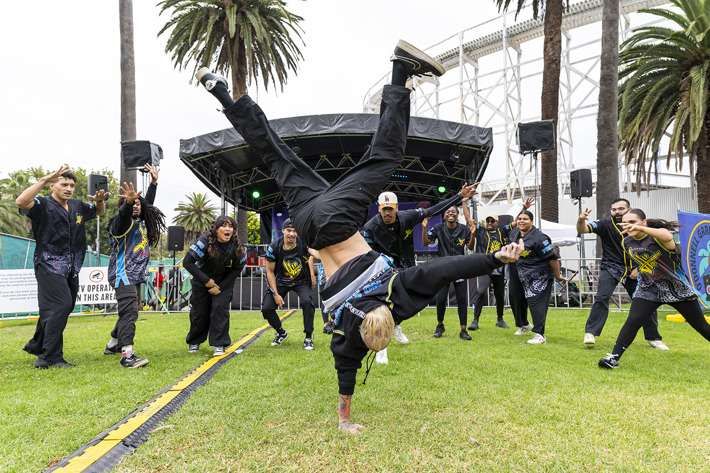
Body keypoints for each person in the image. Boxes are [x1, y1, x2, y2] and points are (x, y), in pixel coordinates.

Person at [195, 39, 524, 433]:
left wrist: (497, 258)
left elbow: (447, 269)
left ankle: (400, 72)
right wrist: (343, 421)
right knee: (276, 155)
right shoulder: (348, 330)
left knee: (384, 156)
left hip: (335, 221)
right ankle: (220, 91)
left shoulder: (394, 298)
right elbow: (344, 371)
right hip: (306, 222)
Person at [17, 166, 106, 368]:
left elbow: (98, 211)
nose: (69, 188)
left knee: (59, 308)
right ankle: (50, 357)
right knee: (61, 304)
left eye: (72, 185)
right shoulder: (42, 204)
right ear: (52, 185)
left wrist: (99, 200)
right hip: (48, 264)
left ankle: (38, 345)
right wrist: (42, 179)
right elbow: (21, 202)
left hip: (72, 267)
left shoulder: (77, 205)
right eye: (64, 184)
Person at [598, 209, 710, 368]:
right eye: (625, 223)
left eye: (633, 222)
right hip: (649, 288)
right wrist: (637, 269)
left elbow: (668, 236)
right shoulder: (626, 242)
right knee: (633, 320)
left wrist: (642, 229)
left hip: (676, 288)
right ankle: (613, 358)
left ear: (644, 222)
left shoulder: (659, 236)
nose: (629, 226)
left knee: (702, 327)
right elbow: (639, 259)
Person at [577, 199, 668, 349]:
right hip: (611, 267)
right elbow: (582, 230)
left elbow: (652, 249)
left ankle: (654, 338)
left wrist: (639, 268)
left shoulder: (641, 225)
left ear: (629, 209)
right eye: (614, 209)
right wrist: (580, 220)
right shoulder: (604, 223)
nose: (617, 212)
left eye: (621, 208)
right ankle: (590, 333)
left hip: (635, 268)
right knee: (602, 297)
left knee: (647, 301)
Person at [104, 164, 166, 368]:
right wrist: (127, 205)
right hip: (123, 275)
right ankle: (127, 355)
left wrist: (154, 183)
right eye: (132, 203)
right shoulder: (120, 223)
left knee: (128, 310)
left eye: (139, 203)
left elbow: (147, 203)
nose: (137, 205)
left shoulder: (141, 221)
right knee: (130, 312)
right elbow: (123, 215)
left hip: (136, 275)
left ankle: (113, 343)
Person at [462, 197, 535, 330]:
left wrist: (524, 209)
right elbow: (469, 220)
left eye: (492, 221)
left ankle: (500, 319)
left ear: (497, 222)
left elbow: (515, 222)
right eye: (488, 220)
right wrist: (463, 203)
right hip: (484, 266)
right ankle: (475, 320)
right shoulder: (481, 231)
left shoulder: (502, 230)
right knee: (481, 290)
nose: (489, 223)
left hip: (498, 267)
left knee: (499, 294)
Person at [184, 215, 246, 356]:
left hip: (224, 281)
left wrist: (220, 287)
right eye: (224, 226)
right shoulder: (204, 241)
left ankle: (220, 344)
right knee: (199, 312)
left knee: (220, 309)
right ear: (216, 229)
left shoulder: (237, 245)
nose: (227, 229)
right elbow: (187, 262)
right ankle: (194, 341)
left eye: (230, 226)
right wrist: (207, 281)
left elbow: (238, 268)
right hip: (202, 280)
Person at [508, 210, 568, 344]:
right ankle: (524, 324)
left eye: (525, 219)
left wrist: (557, 275)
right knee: (515, 297)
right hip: (518, 271)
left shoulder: (540, 238)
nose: (522, 221)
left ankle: (540, 335)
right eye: (520, 219)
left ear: (532, 221)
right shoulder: (513, 233)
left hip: (539, 275)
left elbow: (553, 258)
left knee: (536, 303)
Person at [421, 204, 475, 339]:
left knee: (462, 299)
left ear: (457, 214)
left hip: (459, 268)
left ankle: (463, 330)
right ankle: (440, 325)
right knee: (441, 298)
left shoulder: (464, 229)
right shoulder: (438, 228)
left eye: (453, 211)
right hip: (443, 268)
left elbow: (470, 246)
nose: (450, 213)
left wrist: (473, 234)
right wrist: (424, 228)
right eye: (447, 212)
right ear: (444, 215)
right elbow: (426, 242)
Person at [262, 218, 316, 350]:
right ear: (283, 231)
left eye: (294, 231)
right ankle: (281, 333)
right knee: (267, 309)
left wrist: (319, 253)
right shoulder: (274, 247)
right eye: (289, 230)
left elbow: (314, 252)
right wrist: (275, 294)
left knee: (307, 302)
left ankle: (308, 337)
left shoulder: (302, 243)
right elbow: (269, 272)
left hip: (301, 281)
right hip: (280, 282)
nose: (292, 234)